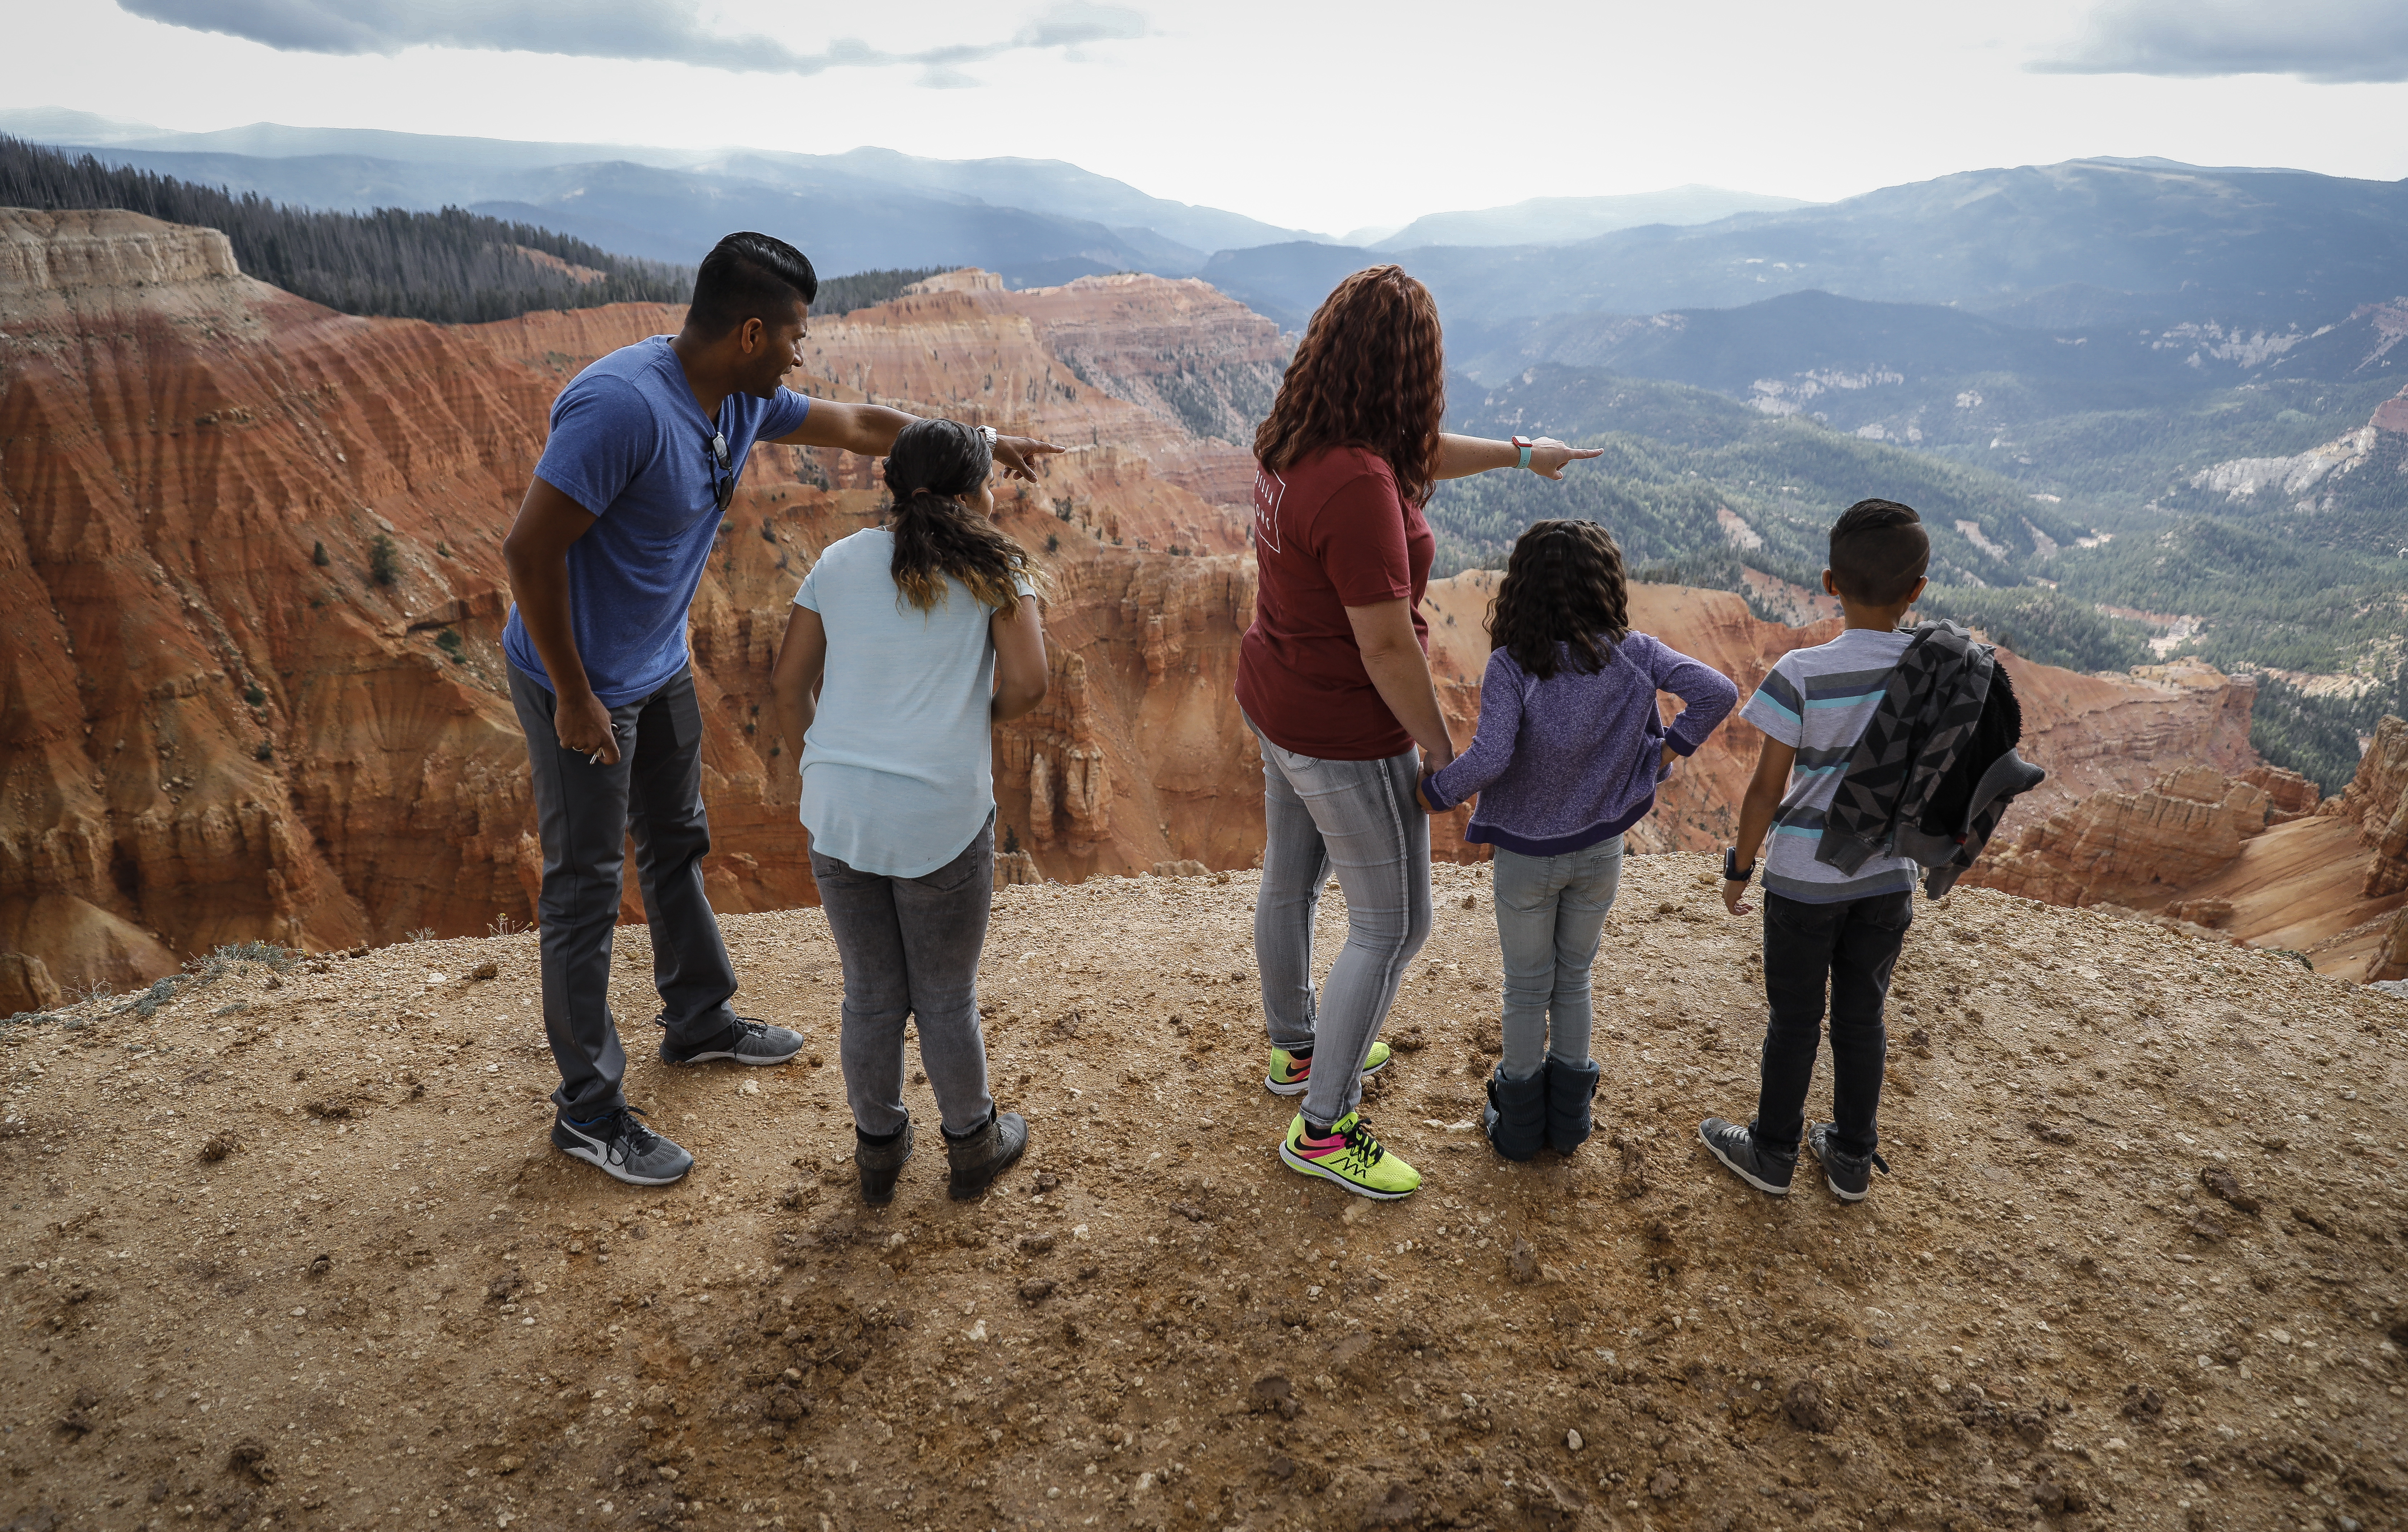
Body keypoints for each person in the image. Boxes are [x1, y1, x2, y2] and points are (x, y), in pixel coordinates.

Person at [501, 230, 1059, 1188]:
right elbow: (528, 551)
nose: (803, 353)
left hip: (658, 666)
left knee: (677, 842)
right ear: (752, 332)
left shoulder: (743, 397)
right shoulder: (622, 407)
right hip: (580, 681)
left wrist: (980, 443)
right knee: (585, 887)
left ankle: (698, 1018)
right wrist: (577, 695)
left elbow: (860, 424)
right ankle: (588, 1110)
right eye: (797, 335)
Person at [1236, 263, 1603, 1201]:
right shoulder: (1358, 484)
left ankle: (1297, 1048)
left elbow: (1414, 454)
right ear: (1406, 367)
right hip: (1344, 728)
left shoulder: (1298, 433)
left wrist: (1523, 455)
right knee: (1394, 924)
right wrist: (1447, 754)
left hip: (1278, 694)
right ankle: (1323, 1126)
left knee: (1290, 881)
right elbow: (1387, 646)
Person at [768, 419, 1048, 1204]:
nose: (993, 493)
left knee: (870, 993)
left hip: (840, 814)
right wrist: (967, 722)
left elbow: (788, 686)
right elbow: (1030, 683)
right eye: (988, 480)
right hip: (939, 817)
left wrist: (827, 764)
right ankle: (972, 1144)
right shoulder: (996, 567)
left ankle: (879, 1152)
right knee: (945, 995)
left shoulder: (836, 560)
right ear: (971, 493)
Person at [1418, 520, 1737, 1161]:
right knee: (1575, 978)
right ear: (1605, 584)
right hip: (1600, 854)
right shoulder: (1636, 653)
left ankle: (1517, 1127)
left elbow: (1491, 755)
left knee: (1526, 987)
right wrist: (1662, 755)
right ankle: (1568, 1124)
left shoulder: (1513, 665)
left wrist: (1437, 792)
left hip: (1527, 859)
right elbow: (1718, 691)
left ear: (1524, 589)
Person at [1700, 500, 1932, 1204]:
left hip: (1802, 883)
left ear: (1830, 583)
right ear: (1917, 590)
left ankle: (1773, 1151)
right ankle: (1853, 1156)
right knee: (1863, 1018)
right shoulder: (1931, 674)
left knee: (1795, 1020)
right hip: (1886, 880)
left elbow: (1766, 788)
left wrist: (1741, 869)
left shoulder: (1801, 670)